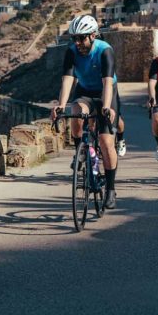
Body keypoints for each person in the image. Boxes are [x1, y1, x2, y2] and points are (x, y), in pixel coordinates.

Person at [50, 14, 120, 210]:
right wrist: (60, 106)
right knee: (76, 110)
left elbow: (107, 82)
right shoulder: (71, 52)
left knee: (106, 142)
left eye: (81, 38)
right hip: (85, 91)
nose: (78, 42)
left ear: (93, 35)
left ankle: (111, 188)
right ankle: (80, 150)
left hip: (106, 92)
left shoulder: (104, 51)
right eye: (74, 38)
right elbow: (68, 80)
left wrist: (106, 107)